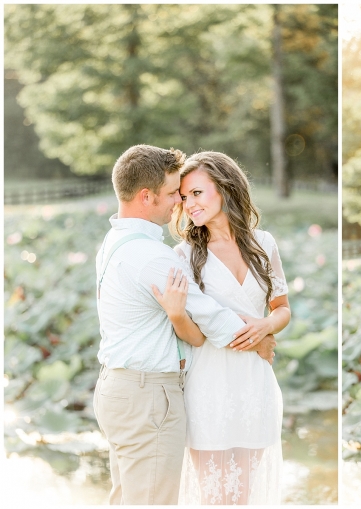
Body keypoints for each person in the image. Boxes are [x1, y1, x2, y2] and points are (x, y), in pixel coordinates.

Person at [93, 144, 275, 505]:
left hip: (116, 388)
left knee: (128, 498)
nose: (179, 201)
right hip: (147, 395)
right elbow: (213, 318)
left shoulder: (114, 242)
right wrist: (260, 339)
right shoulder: (155, 256)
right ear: (146, 196)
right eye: (173, 193)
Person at [158, 151, 290, 505]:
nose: (189, 205)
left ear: (225, 188)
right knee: (214, 498)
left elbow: (282, 309)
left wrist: (264, 327)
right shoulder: (184, 255)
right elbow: (193, 334)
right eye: (184, 198)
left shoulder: (265, 244)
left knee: (242, 496)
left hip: (255, 385)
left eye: (197, 193)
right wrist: (175, 314)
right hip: (208, 384)